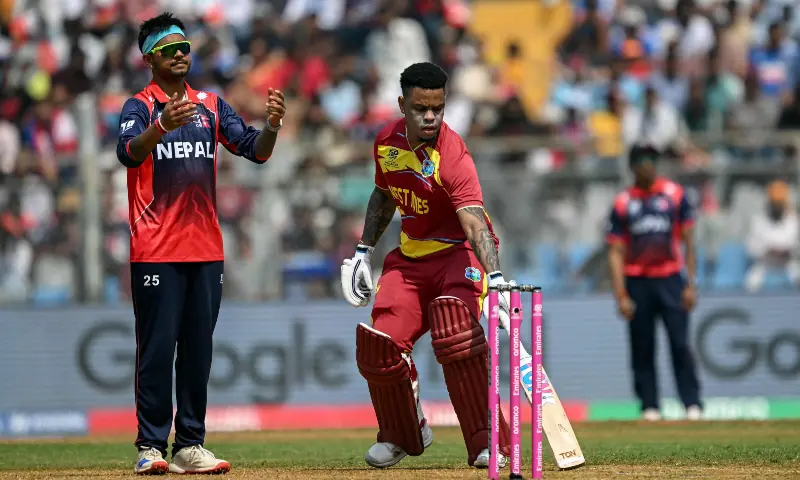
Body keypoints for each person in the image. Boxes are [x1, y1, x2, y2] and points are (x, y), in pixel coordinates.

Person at [115, 12, 286, 475]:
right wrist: (161, 128)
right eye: (170, 48)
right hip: (155, 249)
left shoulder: (212, 104)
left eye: (186, 47)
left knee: (197, 350)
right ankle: (150, 447)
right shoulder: (139, 106)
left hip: (206, 250)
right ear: (150, 57)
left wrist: (271, 125)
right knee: (156, 349)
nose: (182, 54)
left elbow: (256, 150)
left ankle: (190, 444)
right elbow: (127, 153)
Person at [340, 62, 515, 469]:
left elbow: (473, 218)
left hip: (460, 253)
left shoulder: (452, 153)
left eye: (437, 108)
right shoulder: (386, 142)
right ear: (402, 104)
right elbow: (384, 197)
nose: (431, 117)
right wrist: (363, 250)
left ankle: (490, 442)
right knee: (378, 347)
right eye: (421, 108)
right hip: (412, 256)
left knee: (456, 332)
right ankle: (403, 432)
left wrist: (497, 277)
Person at [606, 144, 702, 421]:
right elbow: (615, 251)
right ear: (633, 165)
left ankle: (692, 403)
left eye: (652, 160)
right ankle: (650, 406)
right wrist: (621, 294)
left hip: (671, 278)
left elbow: (689, 241)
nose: (648, 166)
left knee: (680, 344)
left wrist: (691, 284)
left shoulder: (674, 195)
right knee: (642, 346)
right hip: (638, 281)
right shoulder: (624, 202)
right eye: (642, 160)